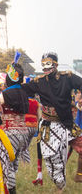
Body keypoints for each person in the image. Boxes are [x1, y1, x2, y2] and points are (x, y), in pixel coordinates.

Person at [21, 52, 82, 193]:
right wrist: (14, 79)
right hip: (49, 127)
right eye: (43, 65)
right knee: (52, 159)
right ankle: (59, 187)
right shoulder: (39, 82)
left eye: (48, 64)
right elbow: (21, 90)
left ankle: (79, 175)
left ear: (55, 64)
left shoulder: (68, 78)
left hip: (67, 123)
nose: (45, 68)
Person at [0, 61, 30, 194]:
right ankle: (9, 186)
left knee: (6, 164)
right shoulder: (24, 92)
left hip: (10, 133)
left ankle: (11, 190)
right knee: (13, 163)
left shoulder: (5, 94)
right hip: (23, 133)